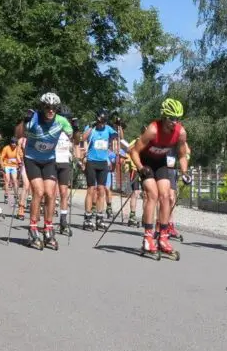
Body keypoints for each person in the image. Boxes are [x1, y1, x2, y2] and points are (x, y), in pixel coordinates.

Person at [128, 98, 193, 255]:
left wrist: (184, 172)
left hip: (162, 162)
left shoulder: (181, 132)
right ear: (164, 116)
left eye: (178, 118)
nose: (174, 122)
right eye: (172, 118)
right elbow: (134, 151)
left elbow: (183, 155)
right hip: (146, 162)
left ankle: (163, 236)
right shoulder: (153, 130)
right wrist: (140, 168)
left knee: (166, 196)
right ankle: (148, 237)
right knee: (153, 195)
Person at [15, 92, 74, 249]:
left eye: (54, 108)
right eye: (48, 107)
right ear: (42, 107)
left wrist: (76, 129)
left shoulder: (61, 121)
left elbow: (75, 138)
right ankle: (33, 228)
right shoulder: (34, 118)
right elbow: (19, 135)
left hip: (49, 160)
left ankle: (48, 228)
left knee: (50, 194)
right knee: (39, 192)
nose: (51, 111)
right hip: (32, 158)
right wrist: (24, 121)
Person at [81, 109, 118, 230]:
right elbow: (83, 138)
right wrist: (91, 127)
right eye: (100, 122)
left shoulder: (108, 129)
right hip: (91, 161)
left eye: (104, 122)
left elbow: (119, 137)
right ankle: (87, 217)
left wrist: (119, 126)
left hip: (103, 163)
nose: (102, 124)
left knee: (101, 190)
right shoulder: (92, 128)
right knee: (91, 189)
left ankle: (100, 217)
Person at [55, 104, 80, 233]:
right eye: (63, 117)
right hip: (52, 161)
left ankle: (63, 221)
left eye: (67, 118)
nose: (65, 120)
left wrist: (76, 129)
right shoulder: (53, 127)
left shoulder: (69, 129)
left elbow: (76, 142)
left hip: (64, 162)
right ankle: (46, 223)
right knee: (51, 193)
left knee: (64, 193)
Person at [0, 136, 21, 205]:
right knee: (7, 180)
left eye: (15, 143)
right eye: (12, 143)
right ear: (10, 143)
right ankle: (6, 196)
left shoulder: (18, 148)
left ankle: (16, 195)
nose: (13, 144)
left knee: (15, 180)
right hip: (7, 166)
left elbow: (21, 156)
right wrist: (2, 167)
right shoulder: (6, 148)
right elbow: (1, 159)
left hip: (14, 166)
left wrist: (20, 163)